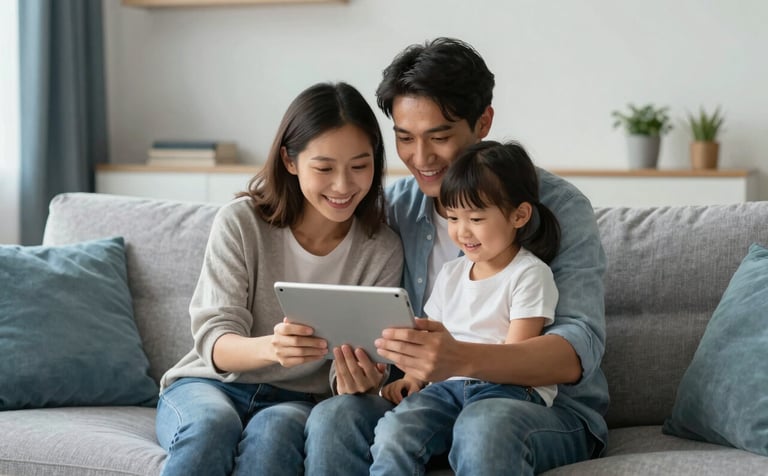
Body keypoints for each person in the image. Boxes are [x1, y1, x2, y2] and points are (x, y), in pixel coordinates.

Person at [305, 38, 608, 475]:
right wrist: (362, 371)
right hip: (433, 397)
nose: (421, 158)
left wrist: (458, 359)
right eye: (405, 139)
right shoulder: (396, 208)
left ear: (483, 121)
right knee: (334, 418)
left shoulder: (555, 205)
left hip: (543, 408)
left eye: (440, 137)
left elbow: (577, 350)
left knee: (485, 425)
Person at [155, 81, 403, 476]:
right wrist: (273, 348)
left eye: (360, 166)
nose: (344, 185)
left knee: (275, 435)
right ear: (290, 161)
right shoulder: (241, 223)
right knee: (209, 425)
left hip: (298, 399)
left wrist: (359, 378)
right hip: (208, 386)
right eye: (324, 168)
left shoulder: (381, 248)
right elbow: (214, 341)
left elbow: (355, 364)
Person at [370, 140, 562, 474]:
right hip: (448, 388)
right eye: (453, 218)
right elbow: (433, 335)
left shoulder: (530, 274)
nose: (462, 231)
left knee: (477, 428)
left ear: (519, 215)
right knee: (394, 431)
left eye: (475, 218)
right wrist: (413, 377)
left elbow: (515, 357)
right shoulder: (451, 273)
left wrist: (456, 363)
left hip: (507, 388)